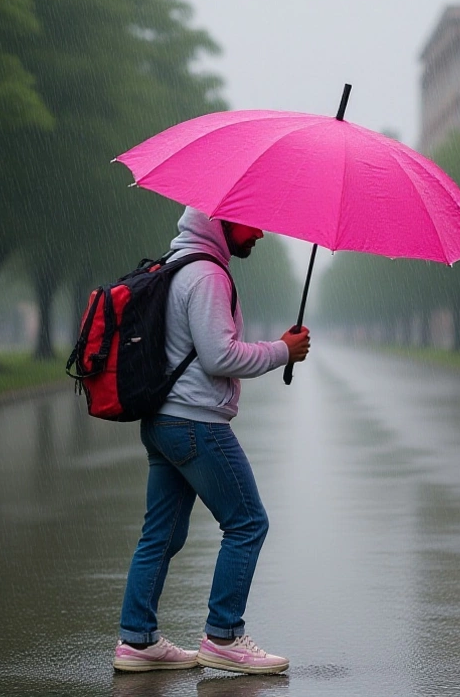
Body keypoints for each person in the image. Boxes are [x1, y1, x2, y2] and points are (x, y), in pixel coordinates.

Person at [112, 207, 311, 675]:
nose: (260, 229)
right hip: (195, 423)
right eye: (250, 220)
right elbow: (219, 355)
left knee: (161, 534)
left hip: (163, 421)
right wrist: (283, 349)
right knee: (247, 522)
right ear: (219, 220)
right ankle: (223, 635)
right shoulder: (206, 275)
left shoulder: (177, 265)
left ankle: (136, 639)